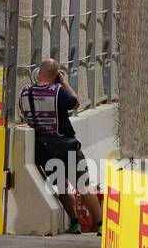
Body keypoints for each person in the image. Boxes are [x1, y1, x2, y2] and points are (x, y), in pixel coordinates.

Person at [20, 58, 103, 235]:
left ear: (38, 73)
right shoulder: (58, 92)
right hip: (67, 145)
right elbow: (76, 102)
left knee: (61, 185)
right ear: (56, 75)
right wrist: (63, 81)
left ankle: (74, 223)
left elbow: (25, 117)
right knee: (83, 185)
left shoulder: (25, 92)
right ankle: (101, 224)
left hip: (43, 148)